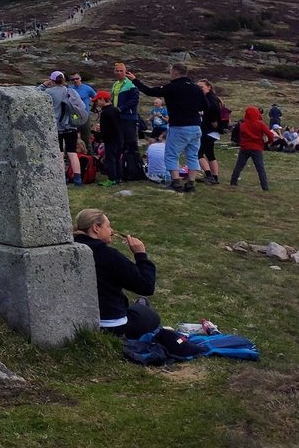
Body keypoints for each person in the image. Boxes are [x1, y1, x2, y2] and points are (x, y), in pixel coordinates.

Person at [72, 208, 158, 338]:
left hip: (78, 322)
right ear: (96, 228)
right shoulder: (108, 255)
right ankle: (141, 306)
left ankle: (140, 305)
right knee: (151, 317)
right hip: (111, 325)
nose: (111, 231)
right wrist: (141, 255)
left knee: (138, 308)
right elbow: (146, 286)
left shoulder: (71, 250)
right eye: (108, 226)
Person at [129, 64, 205, 193]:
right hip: (196, 126)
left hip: (179, 126)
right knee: (193, 155)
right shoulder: (196, 89)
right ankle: (191, 184)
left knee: (171, 155)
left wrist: (135, 80)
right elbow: (204, 105)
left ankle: (176, 183)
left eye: (171, 72)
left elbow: (150, 91)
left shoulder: (171, 87)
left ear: (175, 73)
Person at [39, 71, 83, 186]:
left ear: (52, 80)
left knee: (59, 153)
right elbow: (81, 106)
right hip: (71, 126)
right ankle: (78, 179)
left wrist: (43, 85)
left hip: (56, 127)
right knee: (72, 153)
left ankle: (62, 179)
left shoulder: (48, 92)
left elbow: (34, 94)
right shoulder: (70, 91)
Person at [229, 106, 273, 191]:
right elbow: (270, 135)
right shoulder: (260, 124)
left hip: (245, 147)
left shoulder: (243, 125)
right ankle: (265, 187)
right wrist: (268, 142)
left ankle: (233, 181)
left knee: (239, 165)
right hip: (256, 147)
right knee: (260, 168)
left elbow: (240, 136)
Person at [197, 79, 224, 184]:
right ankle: (215, 177)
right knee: (210, 153)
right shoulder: (212, 98)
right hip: (213, 131)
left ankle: (209, 175)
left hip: (208, 130)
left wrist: (212, 120)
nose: (199, 89)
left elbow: (214, 110)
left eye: (201, 87)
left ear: (209, 87)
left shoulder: (210, 98)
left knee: (198, 154)